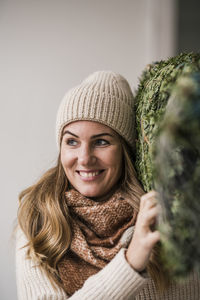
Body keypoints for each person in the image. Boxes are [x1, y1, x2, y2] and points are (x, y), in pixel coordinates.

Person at [16, 71, 200, 299]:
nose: (84, 158)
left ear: (125, 150)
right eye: (72, 141)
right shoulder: (38, 222)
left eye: (101, 142)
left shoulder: (162, 213)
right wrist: (132, 261)